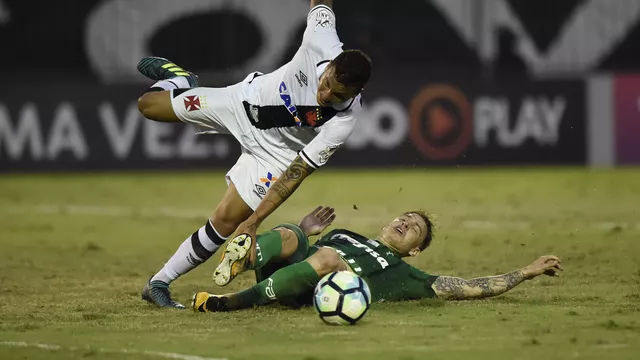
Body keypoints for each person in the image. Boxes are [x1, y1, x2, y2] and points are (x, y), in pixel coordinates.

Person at [136, 0, 372, 308]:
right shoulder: (321, 39)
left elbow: (296, 172)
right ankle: (182, 81)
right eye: (326, 84)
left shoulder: (343, 122)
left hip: (274, 155)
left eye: (337, 95)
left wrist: (253, 221)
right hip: (242, 102)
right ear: (330, 66)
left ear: (354, 94)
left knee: (226, 220)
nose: (325, 95)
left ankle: (158, 283)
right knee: (147, 105)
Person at [192, 206, 563, 312]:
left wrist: (526, 272)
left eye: (414, 227)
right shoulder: (344, 235)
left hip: (308, 290)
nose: (404, 222)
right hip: (289, 270)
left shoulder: (404, 272)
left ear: (414, 249)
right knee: (291, 231)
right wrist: (304, 230)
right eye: (403, 218)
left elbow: (470, 287)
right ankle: (245, 256)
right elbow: (301, 246)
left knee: (329, 258)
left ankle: (229, 303)